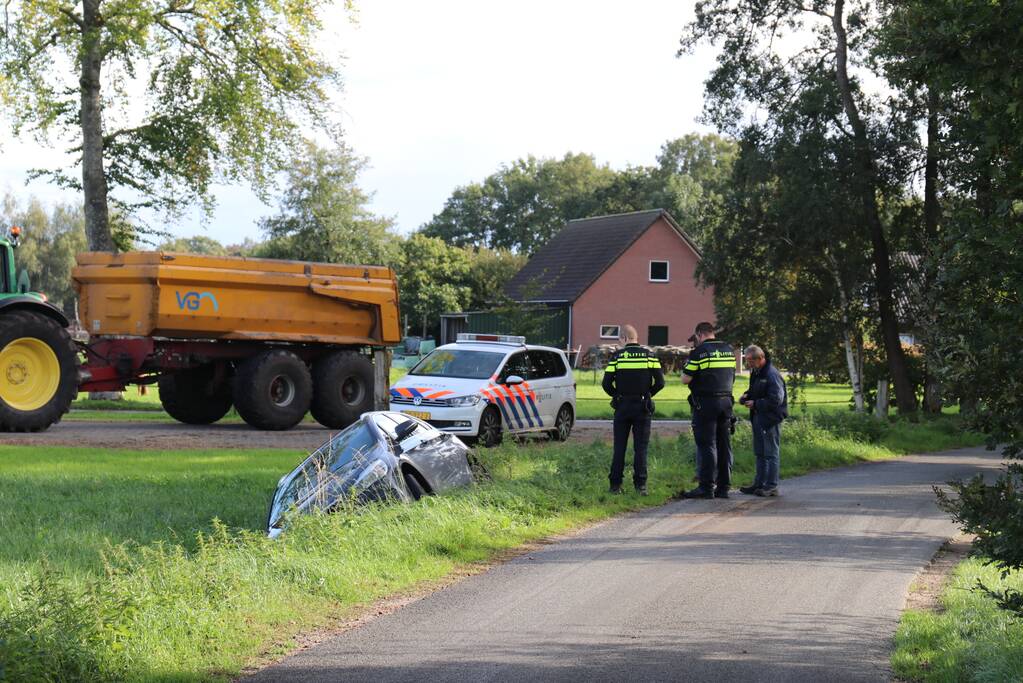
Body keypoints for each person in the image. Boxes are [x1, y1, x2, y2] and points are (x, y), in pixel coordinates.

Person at [602, 324, 665, 495]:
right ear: (636, 338)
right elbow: (660, 383)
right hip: (642, 406)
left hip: (622, 406)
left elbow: (606, 384)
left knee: (619, 447)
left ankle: (615, 485)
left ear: (623, 338)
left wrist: (616, 395)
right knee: (641, 448)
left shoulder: (617, 357)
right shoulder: (649, 355)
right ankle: (641, 486)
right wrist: (648, 394)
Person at [680, 322, 736, 499]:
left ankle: (706, 487)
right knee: (723, 444)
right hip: (726, 402)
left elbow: (685, 379)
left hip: (706, 403)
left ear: (699, 334)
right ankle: (724, 487)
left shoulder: (699, 352)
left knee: (707, 445)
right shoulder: (728, 349)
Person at [739, 345, 788, 496]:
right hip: (758, 417)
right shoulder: (757, 372)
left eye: (750, 361)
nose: (748, 364)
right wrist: (747, 396)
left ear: (760, 359)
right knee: (760, 452)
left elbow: (776, 399)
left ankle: (771, 486)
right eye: (747, 360)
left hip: (770, 419)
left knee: (771, 453)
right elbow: (755, 390)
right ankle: (759, 484)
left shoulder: (771, 374)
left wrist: (756, 403)